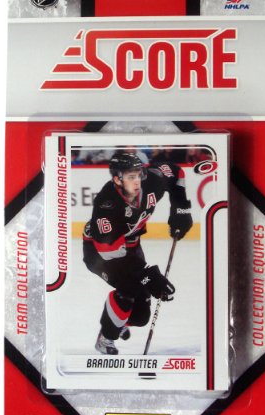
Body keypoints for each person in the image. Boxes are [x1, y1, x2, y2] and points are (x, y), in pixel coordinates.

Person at [83, 151, 193, 354]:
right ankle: (106, 337)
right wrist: (147, 275)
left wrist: (180, 209)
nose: (137, 181)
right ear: (117, 179)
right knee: (129, 288)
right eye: (130, 176)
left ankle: (118, 320)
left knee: (141, 317)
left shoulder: (152, 182)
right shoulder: (106, 204)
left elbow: (176, 172)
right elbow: (110, 252)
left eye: (139, 174)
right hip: (100, 253)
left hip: (132, 247)